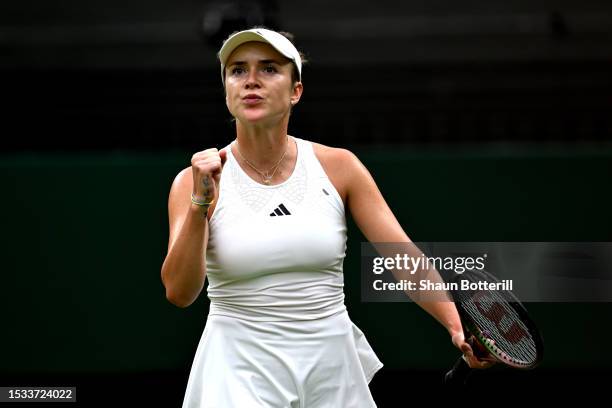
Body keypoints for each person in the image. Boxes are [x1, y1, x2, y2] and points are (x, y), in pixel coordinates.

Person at [161, 27, 494, 408]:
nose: (251, 80)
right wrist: (200, 204)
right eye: (238, 70)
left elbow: (401, 255)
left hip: (330, 366)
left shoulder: (340, 167)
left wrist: (455, 325)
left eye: (269, 69)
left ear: (295, 91)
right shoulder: (192, 181)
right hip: (238, 368)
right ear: (226, 91)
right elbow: (180, 293)